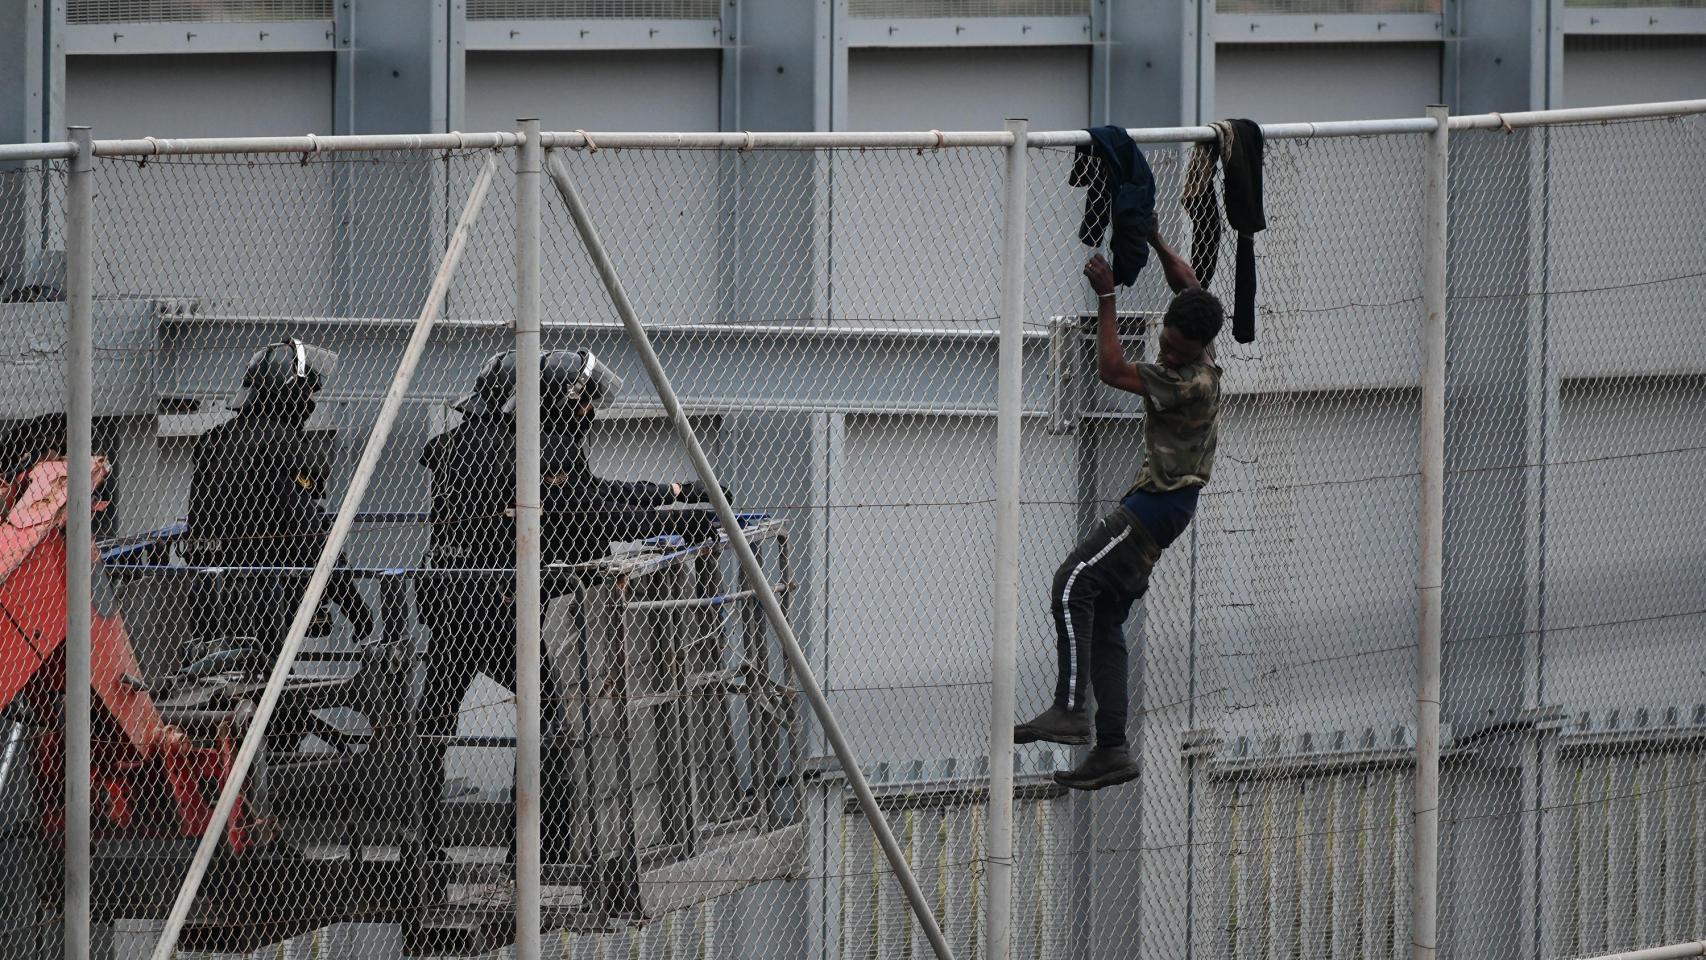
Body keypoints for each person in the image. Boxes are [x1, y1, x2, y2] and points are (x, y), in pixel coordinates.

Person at [411, 348, 724, 861]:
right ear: (554, 401)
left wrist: (668, 494)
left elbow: (587, 496)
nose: (590, 413)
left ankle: (423, 844)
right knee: (548, 718)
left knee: (435, 717)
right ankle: (540, 850)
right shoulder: (534, 450)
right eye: (582, 403)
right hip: (494, 605)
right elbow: (590, 518)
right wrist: (678, 519)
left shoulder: (462, 444)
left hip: (449, 595)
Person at [1013, 230, 1224, 791]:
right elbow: (1189, 283)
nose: (1168, 353)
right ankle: (1112, 748)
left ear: (1194, 351)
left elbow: (1109, 368)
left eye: (1177, 350)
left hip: (1156, 506)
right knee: (1104, 617)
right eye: (1168, 343)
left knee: (1071, 583)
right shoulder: (1201, 337)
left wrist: (1107, 297)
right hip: (1166, 509)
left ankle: (1070, 707)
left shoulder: (1185, 380)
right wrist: (1151, 235)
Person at [181, 338, 373, 679]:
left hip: (203, 591)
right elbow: (310, 535)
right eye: (307, 394)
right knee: (277, 706)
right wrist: (354, 604)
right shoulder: (283, 445)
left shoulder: (214, 439)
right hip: (260, 596)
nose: (310, 403)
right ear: (289, 394)